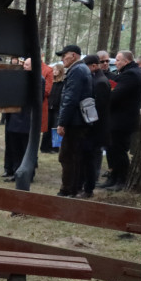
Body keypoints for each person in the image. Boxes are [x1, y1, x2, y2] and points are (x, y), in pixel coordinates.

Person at [102, 50, 141, 191]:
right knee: (112, 149)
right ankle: (113, 177)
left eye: (118, 60)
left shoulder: (131, 75)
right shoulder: (128, 73)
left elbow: (115, 95)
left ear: (126, 61)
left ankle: (121, 180)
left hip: (122, 120)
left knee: (119, 151)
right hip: (118, 119)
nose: (116, 63)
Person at [55, 44, 92, 197]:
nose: (63, 58)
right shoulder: (82, 69)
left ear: (74, 55)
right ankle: (73, 187)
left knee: (67, 156)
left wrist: (62, 122)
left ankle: (68, 189)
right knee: (74, 155)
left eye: (65, 55)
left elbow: (70, 99)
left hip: (74, 121)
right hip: (79, 120)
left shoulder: (77, 70)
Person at [79, 54, 110, 198]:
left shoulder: (100, 82)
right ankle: (84, 184)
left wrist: (89, 123)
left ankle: (88, 188)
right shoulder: (94, 79)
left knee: (90, 159)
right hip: (91, 127)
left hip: (95, 129)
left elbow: (100, 108)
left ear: (93, 66)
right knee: (85, 158)